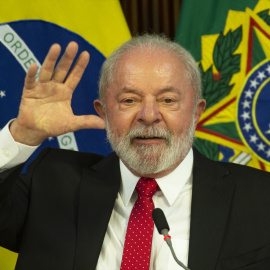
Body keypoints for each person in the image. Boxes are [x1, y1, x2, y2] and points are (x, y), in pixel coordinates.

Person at [1, 34, 270, 270]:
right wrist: (22, 135)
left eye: (168, 100)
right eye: (129, 100)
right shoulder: (52, 182)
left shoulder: (260, 198)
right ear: (103, 112)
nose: (149, 116)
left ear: (196, 112)